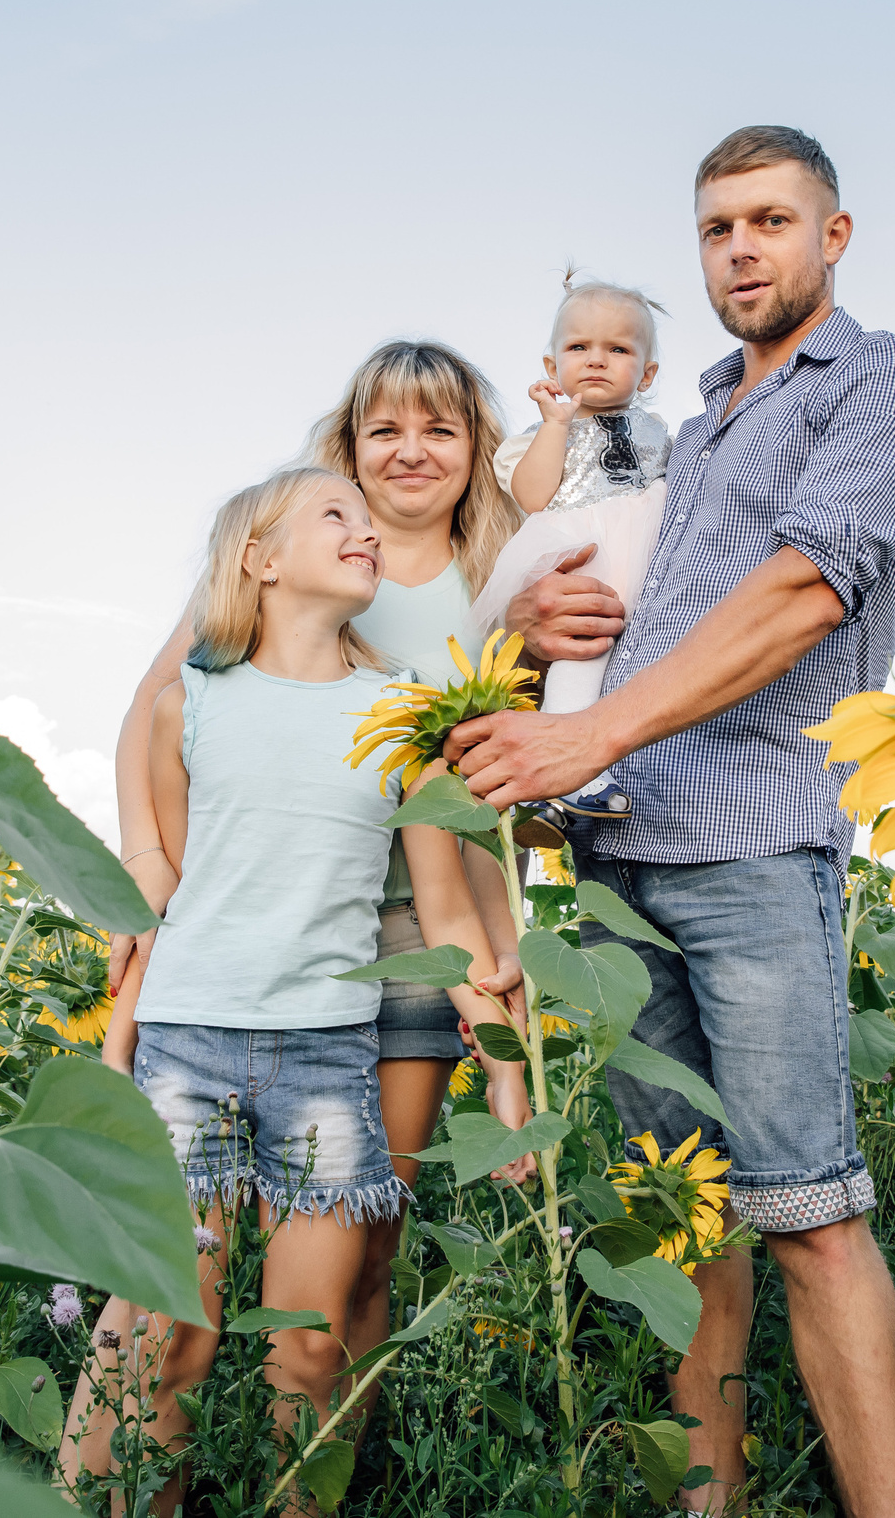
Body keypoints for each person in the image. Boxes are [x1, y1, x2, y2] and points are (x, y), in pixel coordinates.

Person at [448, 125, 895, 1517]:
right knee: (685, 1220)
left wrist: (591, 730)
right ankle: (706, 1502)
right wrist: (535, 630)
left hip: (753, 847)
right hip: (617, 856)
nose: (741, 249)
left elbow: (806, 589)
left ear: (833, 236)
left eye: (770, 221)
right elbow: (612, 597)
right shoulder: (695, 423)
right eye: (717, 228)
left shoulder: (881, 379)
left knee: (810, 1213)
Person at [64, 467, 532, 1513]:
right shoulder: (186, 704)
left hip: (328, 1056)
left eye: (367, 522)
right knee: (165, 1336)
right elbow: (164, 897)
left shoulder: (404, 719)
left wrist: (504, 1063)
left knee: (310, 1351)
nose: (364, 530)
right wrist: (117, 1041)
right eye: (335, 515)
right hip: (186, 1048)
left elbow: (446, 914)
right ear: (260, 559)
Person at [464, 274, 672, 841]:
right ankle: (563, 780)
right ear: (552, 366)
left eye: (618, 349)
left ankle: (581, 785)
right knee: (582, 652)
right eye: (579, 347)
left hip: (647, 557)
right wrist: (556, 425)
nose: (597, 360)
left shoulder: (661, 431)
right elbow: (533, 495)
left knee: (637, 666)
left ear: (647, 374)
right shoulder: (543, 433)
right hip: (586, 556)